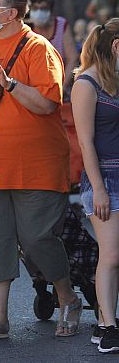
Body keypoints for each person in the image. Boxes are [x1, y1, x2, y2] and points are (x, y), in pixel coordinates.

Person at [0, 0, 80, 341]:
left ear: (12, 13)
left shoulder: (38, 49)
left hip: (38, 165)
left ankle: (68, 297)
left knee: (36, 240)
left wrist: (11, 85)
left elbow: (48, 103)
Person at [71, 18, 119, 353]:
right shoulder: (86, 84)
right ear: (116, 46)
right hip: (103, 178)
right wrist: (98, 189)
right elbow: (85, 143)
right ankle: (107, 326)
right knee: (112, 253)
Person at [29, 0, 80, 90]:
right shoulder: (27, 29)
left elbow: (73, 58)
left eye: (43, 9)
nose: (39, 12)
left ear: (51, 11)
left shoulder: (61, 25)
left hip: (61, 83)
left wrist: (62, 87)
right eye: (35, 8)